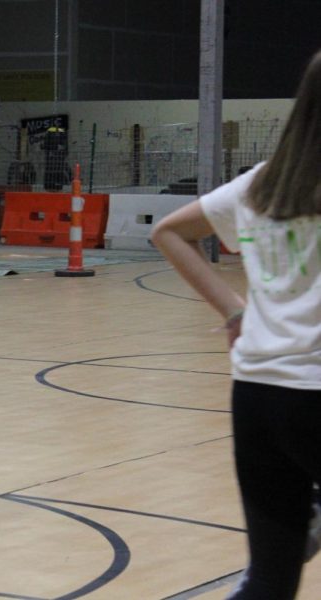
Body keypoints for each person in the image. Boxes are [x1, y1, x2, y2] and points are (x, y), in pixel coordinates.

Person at [151, 50, 321, 599]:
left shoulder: (260, 185)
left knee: (269, 578)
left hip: (259, 396)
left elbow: (170, 232)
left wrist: (233, 310)